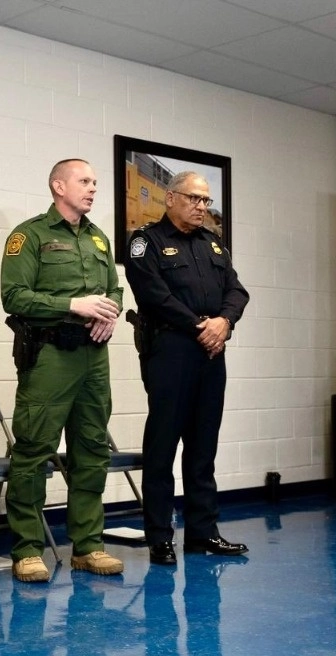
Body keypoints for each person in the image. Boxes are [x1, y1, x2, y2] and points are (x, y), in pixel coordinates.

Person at [1, 158, 124, 582]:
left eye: (95, 181)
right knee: (34, 450)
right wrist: (72, 305)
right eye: (84, 181)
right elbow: (14, 296)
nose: (93, 188)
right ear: (58, 185)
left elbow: (114, 288)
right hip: (51, 355)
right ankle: (28, 549)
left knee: (92, 450)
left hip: (94, 357)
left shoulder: (99, 239)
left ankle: (88, 546)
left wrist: (111, 311)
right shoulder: (29, 235)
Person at [124, 170, 250, 566]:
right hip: (171, 351)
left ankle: (203, 533)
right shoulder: (147, 242)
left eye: (206, 201)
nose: (201, 207)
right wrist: (201, 326)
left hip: (211, 353)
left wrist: (224, 322)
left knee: (202, 447)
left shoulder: (213, 244)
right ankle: (160, 537)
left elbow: (237, 290)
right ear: (171, 198)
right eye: (194, 199)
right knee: (162, 447)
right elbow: (153, 295)